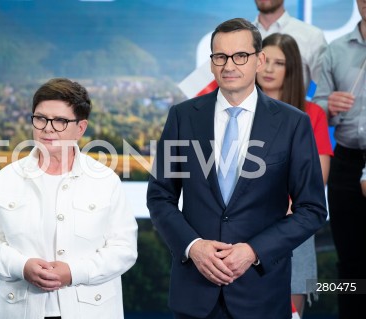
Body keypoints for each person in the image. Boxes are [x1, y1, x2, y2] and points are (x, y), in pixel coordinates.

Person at [147, 18, 327, 319]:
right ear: (212, 63)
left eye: (240, 56)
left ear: (259, 60)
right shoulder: (182, 117)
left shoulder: (294, 123)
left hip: (262, 292)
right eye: (220, 57)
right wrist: (194, 247)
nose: (229, 65)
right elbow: (159, 196)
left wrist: (254, 251)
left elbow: (311, 209)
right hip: (195, 291)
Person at [0, 78, 138, 319]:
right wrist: (22, 267)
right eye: (40, 118)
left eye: (60, 121)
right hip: (22, 308)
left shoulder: (105, 180)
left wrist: (73, 272)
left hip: (91, 309)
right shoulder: (6, 179)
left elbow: (124, 250)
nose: (47, 128)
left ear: (81, 128)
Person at [256, 32, 333, 317]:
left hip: (293, 221)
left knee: (291, 310)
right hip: (246, 222)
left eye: (279, 63)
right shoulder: (238, 110)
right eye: (264, 60)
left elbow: (319, 172)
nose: (268, 69)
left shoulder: (312, 113)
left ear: (292, 69)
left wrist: (289, 209)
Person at [313, 1, 366, 317]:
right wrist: (329, 105)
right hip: (345, 161)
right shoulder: (335, 50)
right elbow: (318, 107)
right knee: (349, 259)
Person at [253, 0, 327, 94]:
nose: (269, 69)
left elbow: (326, 89)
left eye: (279, 63)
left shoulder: (312, 36)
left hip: (295, 105)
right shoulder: (241, 35)